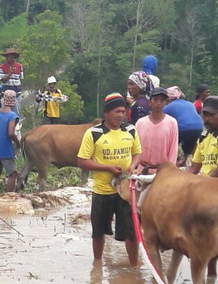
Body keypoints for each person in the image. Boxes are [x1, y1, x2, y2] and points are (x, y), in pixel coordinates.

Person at [77, 93, 142, 266]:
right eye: (116, 111)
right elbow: (82, 161)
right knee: (98, 232)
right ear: (106, 112)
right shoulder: (94, 133)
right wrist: (107, 168)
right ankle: (97, 266)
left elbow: (137, 153)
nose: (120, 115)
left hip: (125, 192)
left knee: (131, 233)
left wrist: (133, 165)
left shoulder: (131, 130)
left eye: (123, 111)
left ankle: (134, 267)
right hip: (102, 191)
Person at [135, 87, 179, 170]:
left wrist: (170, 170)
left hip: (162, 171)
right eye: (155, 99)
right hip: (142, 169)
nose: (158, 103)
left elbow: (173, 150)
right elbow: (135, 148)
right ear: (149, 102)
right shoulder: (140, 123)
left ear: (166, 102)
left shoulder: (172, 123)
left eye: (162, 100)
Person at [0, 90, 21, 193]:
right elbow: (11, 133)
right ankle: (9, 196)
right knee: (12, 174)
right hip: (5, 150)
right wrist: (18, 143)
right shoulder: (12, 116)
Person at [163, 87, 204, 162]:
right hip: (199, 127)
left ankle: (173, 161)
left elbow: (161, 119)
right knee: (190, 143)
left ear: (168, 99)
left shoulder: (168, 107)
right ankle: (185, 161)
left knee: (172, 143)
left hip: (183, 128)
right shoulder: (190, 104)